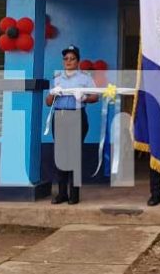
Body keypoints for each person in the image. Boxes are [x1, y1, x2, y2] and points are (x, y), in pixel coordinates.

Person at [46, 45, 98, 205]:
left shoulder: (85, 78)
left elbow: (95, 97)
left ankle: (74, 194)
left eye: (72, 58)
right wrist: (53, 93)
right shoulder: (57, 78)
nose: (68, 61)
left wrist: (83, 98)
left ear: (78, 61)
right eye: (66, 59)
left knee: (74, 155)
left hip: (77, 117)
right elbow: (48, 103)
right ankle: (62, 194)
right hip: (60, 116)